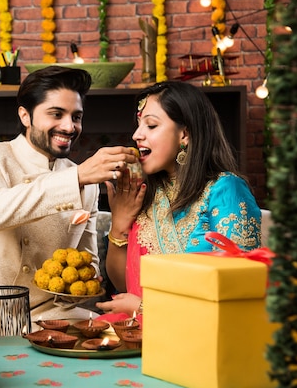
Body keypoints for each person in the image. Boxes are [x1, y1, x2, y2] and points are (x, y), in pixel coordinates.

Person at [0, 66, 139, 320]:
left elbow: (86, 258)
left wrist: (87, 276)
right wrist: (76, 178)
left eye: (76, 117)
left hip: (55, 314)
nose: (69, 126)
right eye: (56, 114)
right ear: (25, 116)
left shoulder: (84, 179)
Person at [96, 81, 262, 316]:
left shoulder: (225, 190)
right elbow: (125, 286)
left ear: (184, 134)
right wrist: (119, 227)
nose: (136, 135)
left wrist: (145, 309)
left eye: (151, 125)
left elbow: (240, 290)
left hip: (199, 337)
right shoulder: (145, 194)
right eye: (138, 124)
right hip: (136, 333)